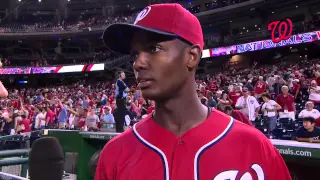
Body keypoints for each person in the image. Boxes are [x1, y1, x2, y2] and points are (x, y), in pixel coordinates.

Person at [96, 3, 291, 180]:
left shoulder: (253, 146)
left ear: (192, 56)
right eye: (134, 54)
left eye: (153, 48)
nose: (138, 63)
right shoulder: (115, 153)